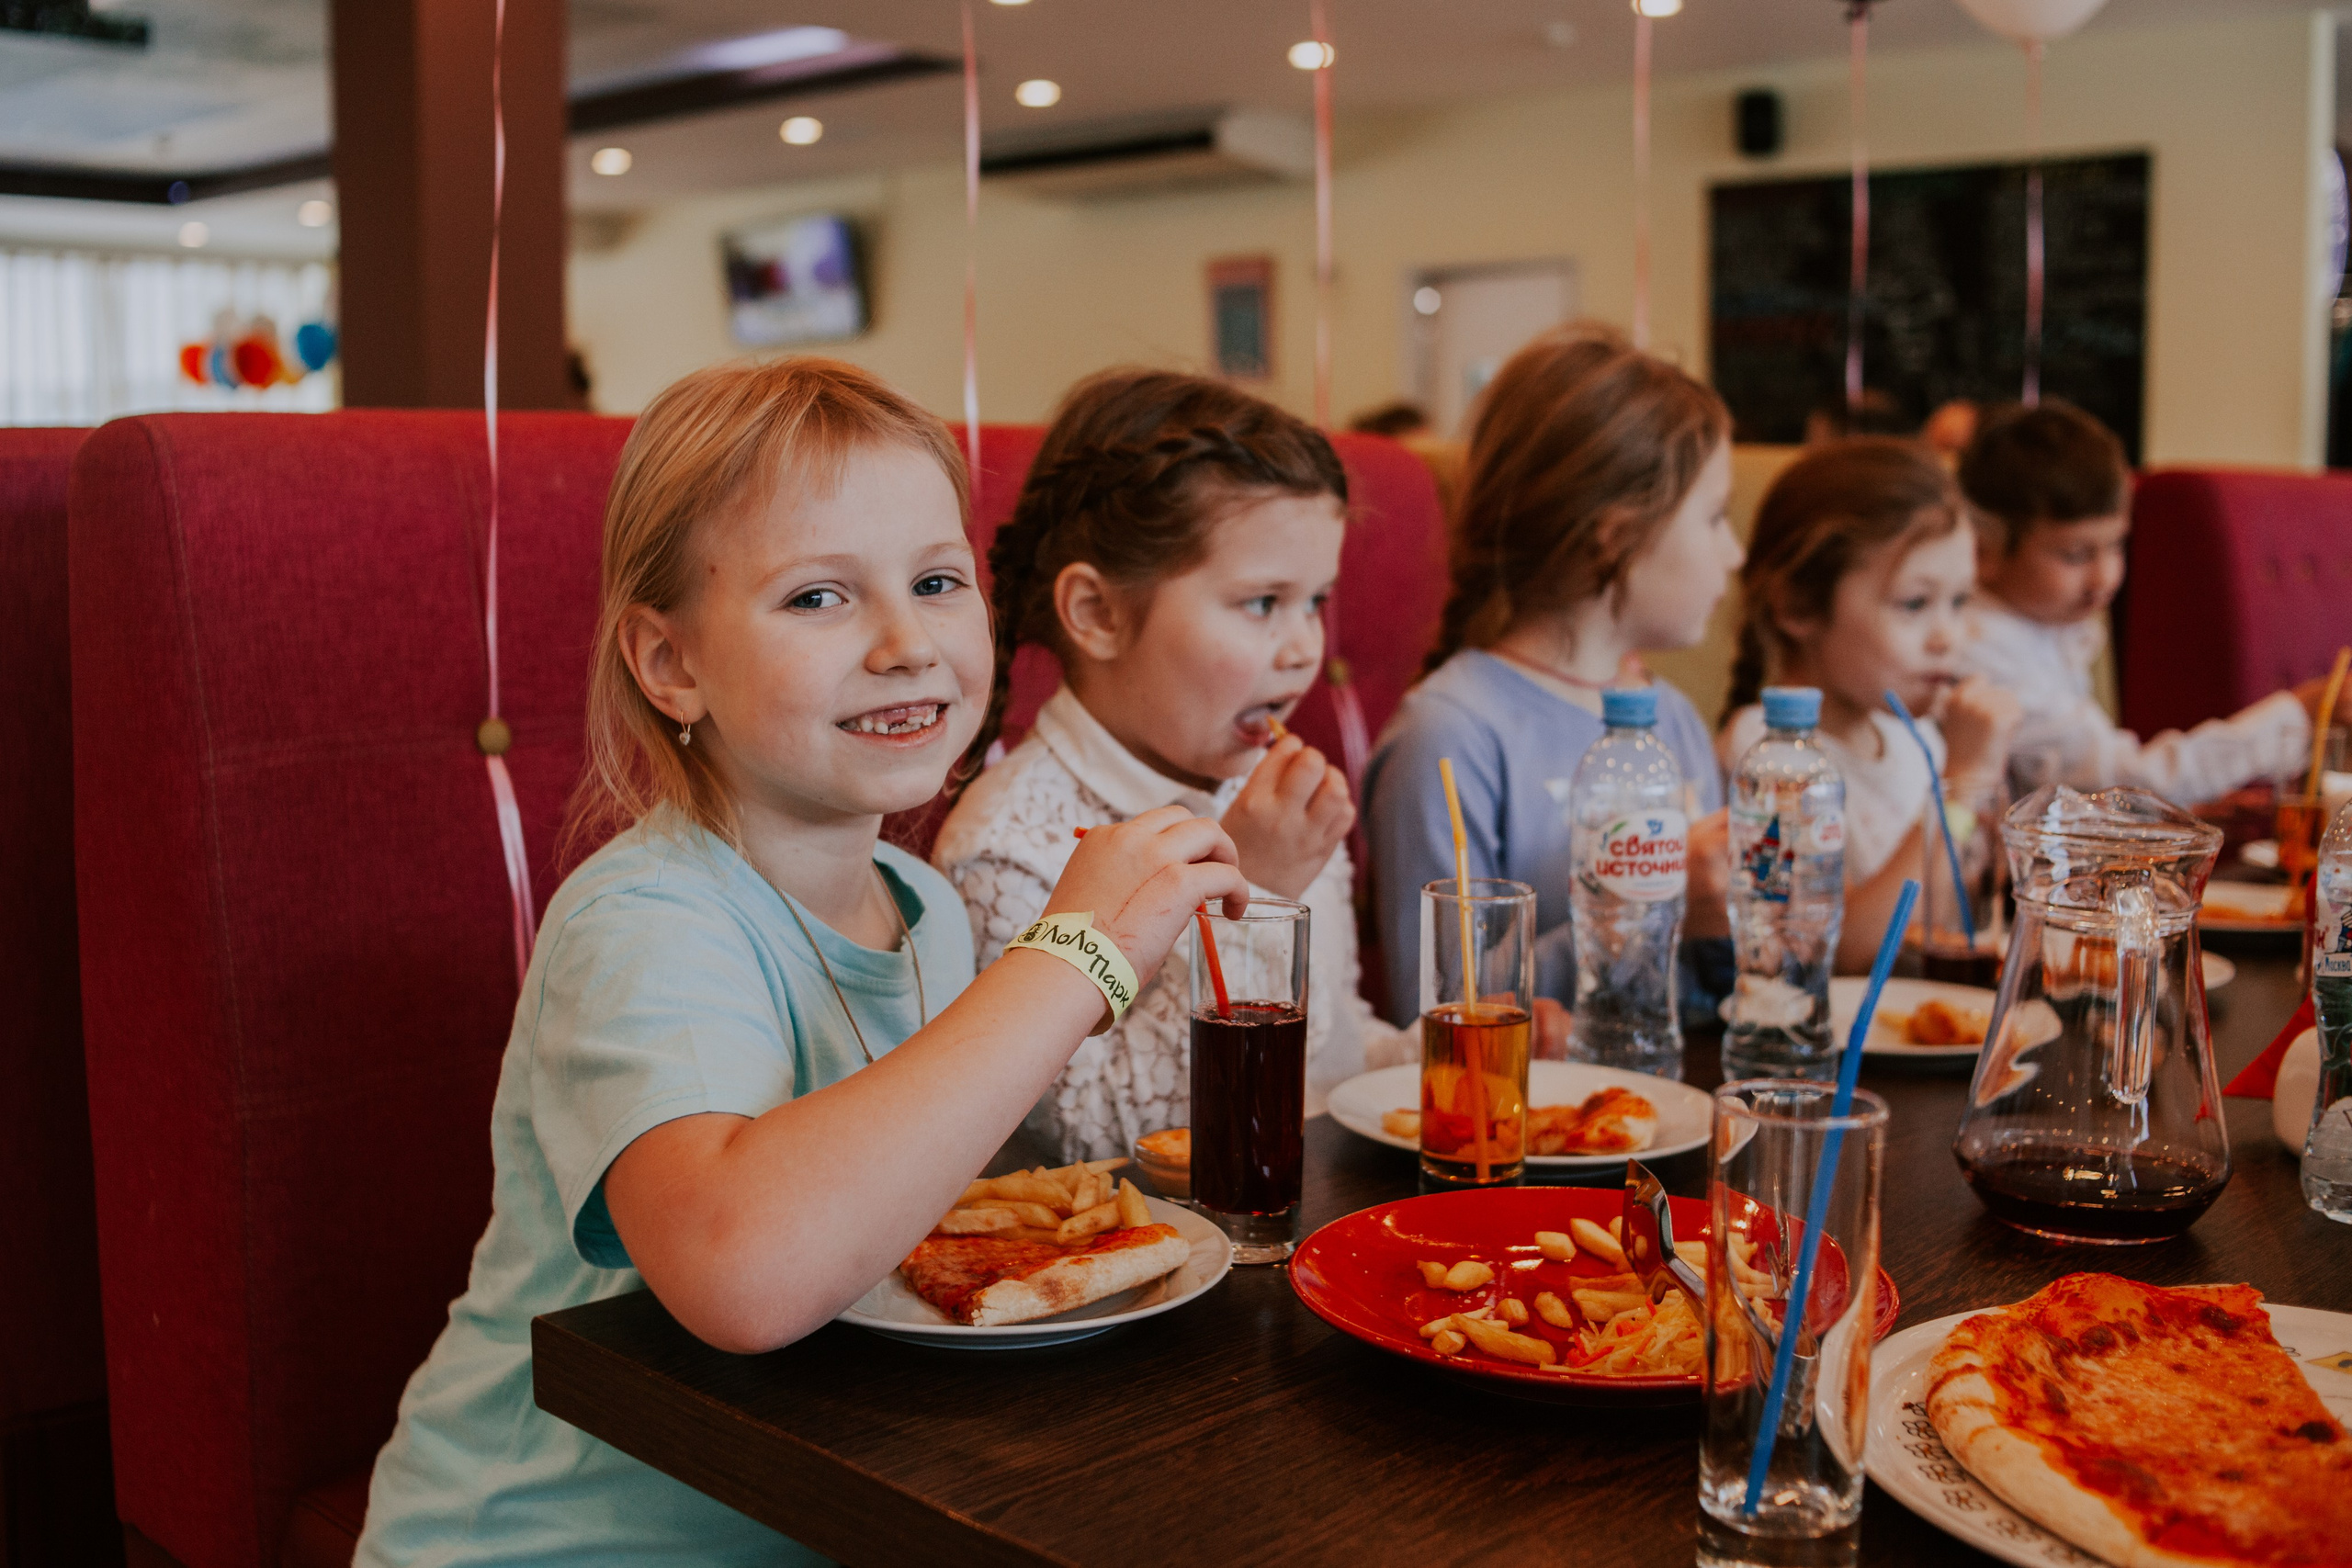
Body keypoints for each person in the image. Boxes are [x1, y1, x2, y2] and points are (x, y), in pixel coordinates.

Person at [354, 358, 1248, 1568]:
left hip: (830, 1512)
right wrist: (1073, 956)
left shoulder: (926, 908)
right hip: (546, 1541)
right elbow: (744, 1277)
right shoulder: (646, 918)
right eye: (818, 597)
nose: (906, 642)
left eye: (937, 582)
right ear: (670, 664)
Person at [934, 368, 1407, 1164]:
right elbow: (1096, 1135)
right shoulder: (1007, 847)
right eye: (1263, 602)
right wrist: (1255, 895)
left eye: (1316, 602)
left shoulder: (1266, 796)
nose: (1304, 648)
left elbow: (1335, 1046)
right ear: (1099, 613)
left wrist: (1431, 1060)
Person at [1363, 323, 1740, 1033]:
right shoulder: (1450, 734)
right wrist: (1648, 912)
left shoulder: (1675, 717)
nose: (1735, 551)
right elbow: (1436, 1013)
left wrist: (1745, 912)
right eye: (1715, 518)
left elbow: (1709, 987)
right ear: (1617, 536)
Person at [1718, 437, 2019, 972]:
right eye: (1914, 604)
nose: (1948, 637)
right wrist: (1962, 782)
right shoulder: (1766, 754)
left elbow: (1960, 923)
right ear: (1798, 605)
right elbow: (1845, 957)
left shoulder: (1919, 742)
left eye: (1959, 602)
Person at [1956, 400, 2345, 805]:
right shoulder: (1985, 650)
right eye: (2075, 555)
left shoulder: (2047, 625)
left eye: (2115, 546)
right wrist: (2298, 716)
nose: (2104, 577)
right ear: (1983, 551)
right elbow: (2120, 786)